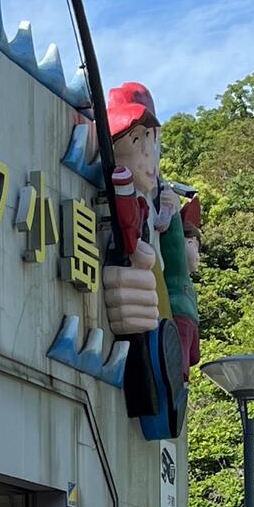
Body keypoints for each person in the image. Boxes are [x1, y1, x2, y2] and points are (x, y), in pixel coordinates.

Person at [96, 81, 200, 435]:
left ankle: (170, 394)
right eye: (135, 141)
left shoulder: (157, 203)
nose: (147, 155)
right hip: (150, 312)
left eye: (151, 141)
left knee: (167, 349)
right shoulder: (134, 200)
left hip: (165, 311)